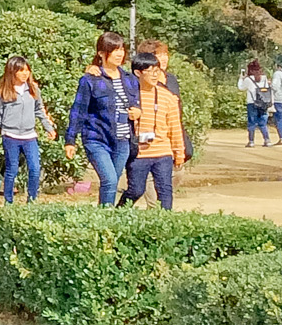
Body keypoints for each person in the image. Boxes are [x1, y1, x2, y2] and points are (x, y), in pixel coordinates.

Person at [65, 31, 139, 206]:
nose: (120, 54)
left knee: (112, 182)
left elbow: (137, 103)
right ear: (101, 53)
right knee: (110, 180)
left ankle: (106, 218)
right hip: (96, 138)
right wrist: (70, 140)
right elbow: (79, 110)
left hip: (122, 140)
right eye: (114, 50)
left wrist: (138, 112)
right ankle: (105, 219)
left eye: (121, 49)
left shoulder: (130, 79)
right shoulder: (90, 79)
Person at [0, 56, 57, 204]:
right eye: (21, 70)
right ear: (12, 72)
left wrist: (48, 128)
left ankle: (32, 201)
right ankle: (8, 202)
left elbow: (39, 110)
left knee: (35, 169)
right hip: (10, 135)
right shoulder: (4, 91)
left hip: (30, 136)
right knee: (12, 170)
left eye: (27, 70)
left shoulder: (33, 89)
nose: (25, 73)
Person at [123, 51, 184, 210]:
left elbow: (175, 126)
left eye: (158, 70)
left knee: (165, 190)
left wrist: (179, 153)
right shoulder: (128, 95)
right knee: (136, 190)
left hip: (163, 152)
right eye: (151, 71)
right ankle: (119, 213)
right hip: (139, 153)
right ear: (138, 73)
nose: (156, 75)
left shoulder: (167, 96)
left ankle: (165, 222)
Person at [142, 39, 194, 165]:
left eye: (165, 54)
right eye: (159, 55)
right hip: (149, 145)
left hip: (173, 135)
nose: (164, 59)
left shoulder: (171, 79)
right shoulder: (139, 80)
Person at [239, 59, 273, 147]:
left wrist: (241, 78)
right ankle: (267, 140)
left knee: (252, 122)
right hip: (263, 103)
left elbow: (241, 88)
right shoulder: (265, 78)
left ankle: (251, 141)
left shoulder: (248, 79)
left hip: (252, 103)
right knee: (263, 122)